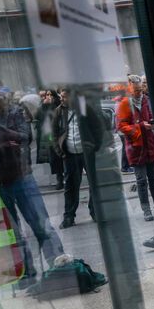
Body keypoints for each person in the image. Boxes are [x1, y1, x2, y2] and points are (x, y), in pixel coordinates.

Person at [0, 90, 65, 288]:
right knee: (13, 232)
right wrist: (4, 140)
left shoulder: (13, 112)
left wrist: (0, 135)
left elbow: (24, 137)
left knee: (41, 224)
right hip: (1, 179)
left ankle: (57, 264)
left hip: (21, 175)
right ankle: (26, 273)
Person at [116, 74, 154, 221]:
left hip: (149, 144)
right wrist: (141, 127)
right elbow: (121, 126)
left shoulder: (146, 100)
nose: (139, 93)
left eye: (140, 90)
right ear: (130, 88)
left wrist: (151, 122)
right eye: (136, 90)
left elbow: (150, 117)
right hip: (136, 147)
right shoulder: (124, 104)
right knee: (141, 181)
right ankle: (146, 209)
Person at [53, 87, 101, 228]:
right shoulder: (59, 111)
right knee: (71, 186)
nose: (61, 99)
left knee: (94, 184)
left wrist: (95, 146)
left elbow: (97, 127)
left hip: (86, 153)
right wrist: (60, 151)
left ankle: (95, 211)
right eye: (61, 96)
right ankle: (69, 216)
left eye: (64, 96)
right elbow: (54, 133)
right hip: (69, 154)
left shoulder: (85, 108)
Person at [36, 89, 64, 189]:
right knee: (54, 159)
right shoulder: (44, 106)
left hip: (60, 134)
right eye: (47, 95)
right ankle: (59, 179)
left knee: (62, 157)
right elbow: (38, 117)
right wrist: (43, 106)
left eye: (50, 94)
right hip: (50, 136)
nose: (48, 97)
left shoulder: (58, 105)